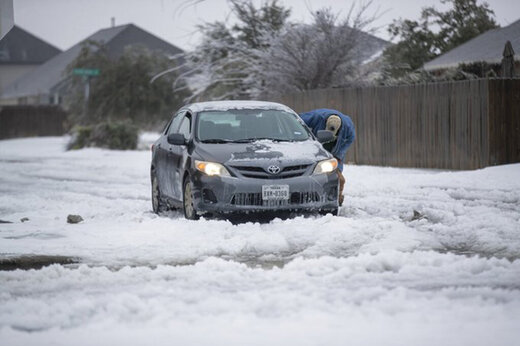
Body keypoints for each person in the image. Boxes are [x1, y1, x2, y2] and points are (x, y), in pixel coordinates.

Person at [299, 109, 355, 206]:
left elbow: (350, 139)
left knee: (339, 179)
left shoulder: (348, 126)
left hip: (335, 152)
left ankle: (336, 198)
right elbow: (296, 120)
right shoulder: (315, 117)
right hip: (316, 151)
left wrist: (338, 155)